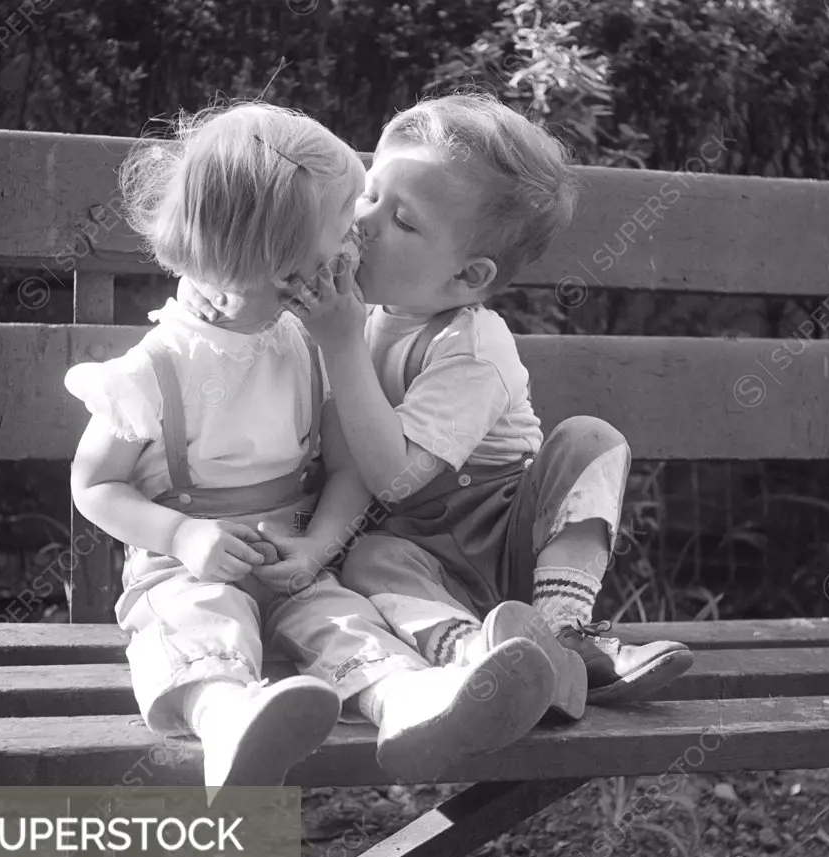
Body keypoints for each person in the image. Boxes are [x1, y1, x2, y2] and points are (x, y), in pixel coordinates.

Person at [66, 101, 563, 792]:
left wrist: (317, 548)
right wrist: (183, 537)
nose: (357, 232)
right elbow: (93, 485)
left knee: (344, 619)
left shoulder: (314, 341)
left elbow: (350, 465)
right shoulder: (154, 369)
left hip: (296, 555)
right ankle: (227, 719)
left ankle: (412, 704)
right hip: (187, 563)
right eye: (349, 212)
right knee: (192, 618)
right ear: (277, 263)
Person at [264, 92, 695, 734]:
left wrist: (340, 344)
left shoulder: (471, 343)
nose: (365, 221)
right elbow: (352, 470)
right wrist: (313, 549)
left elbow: (396, 477)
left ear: (468, 277)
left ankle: (561, 629)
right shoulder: (357, 320)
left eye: (403, 221)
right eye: (369, 193)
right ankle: (481, 660)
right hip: (420, 556)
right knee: (371, 559)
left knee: (589, 440)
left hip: (509, 538)